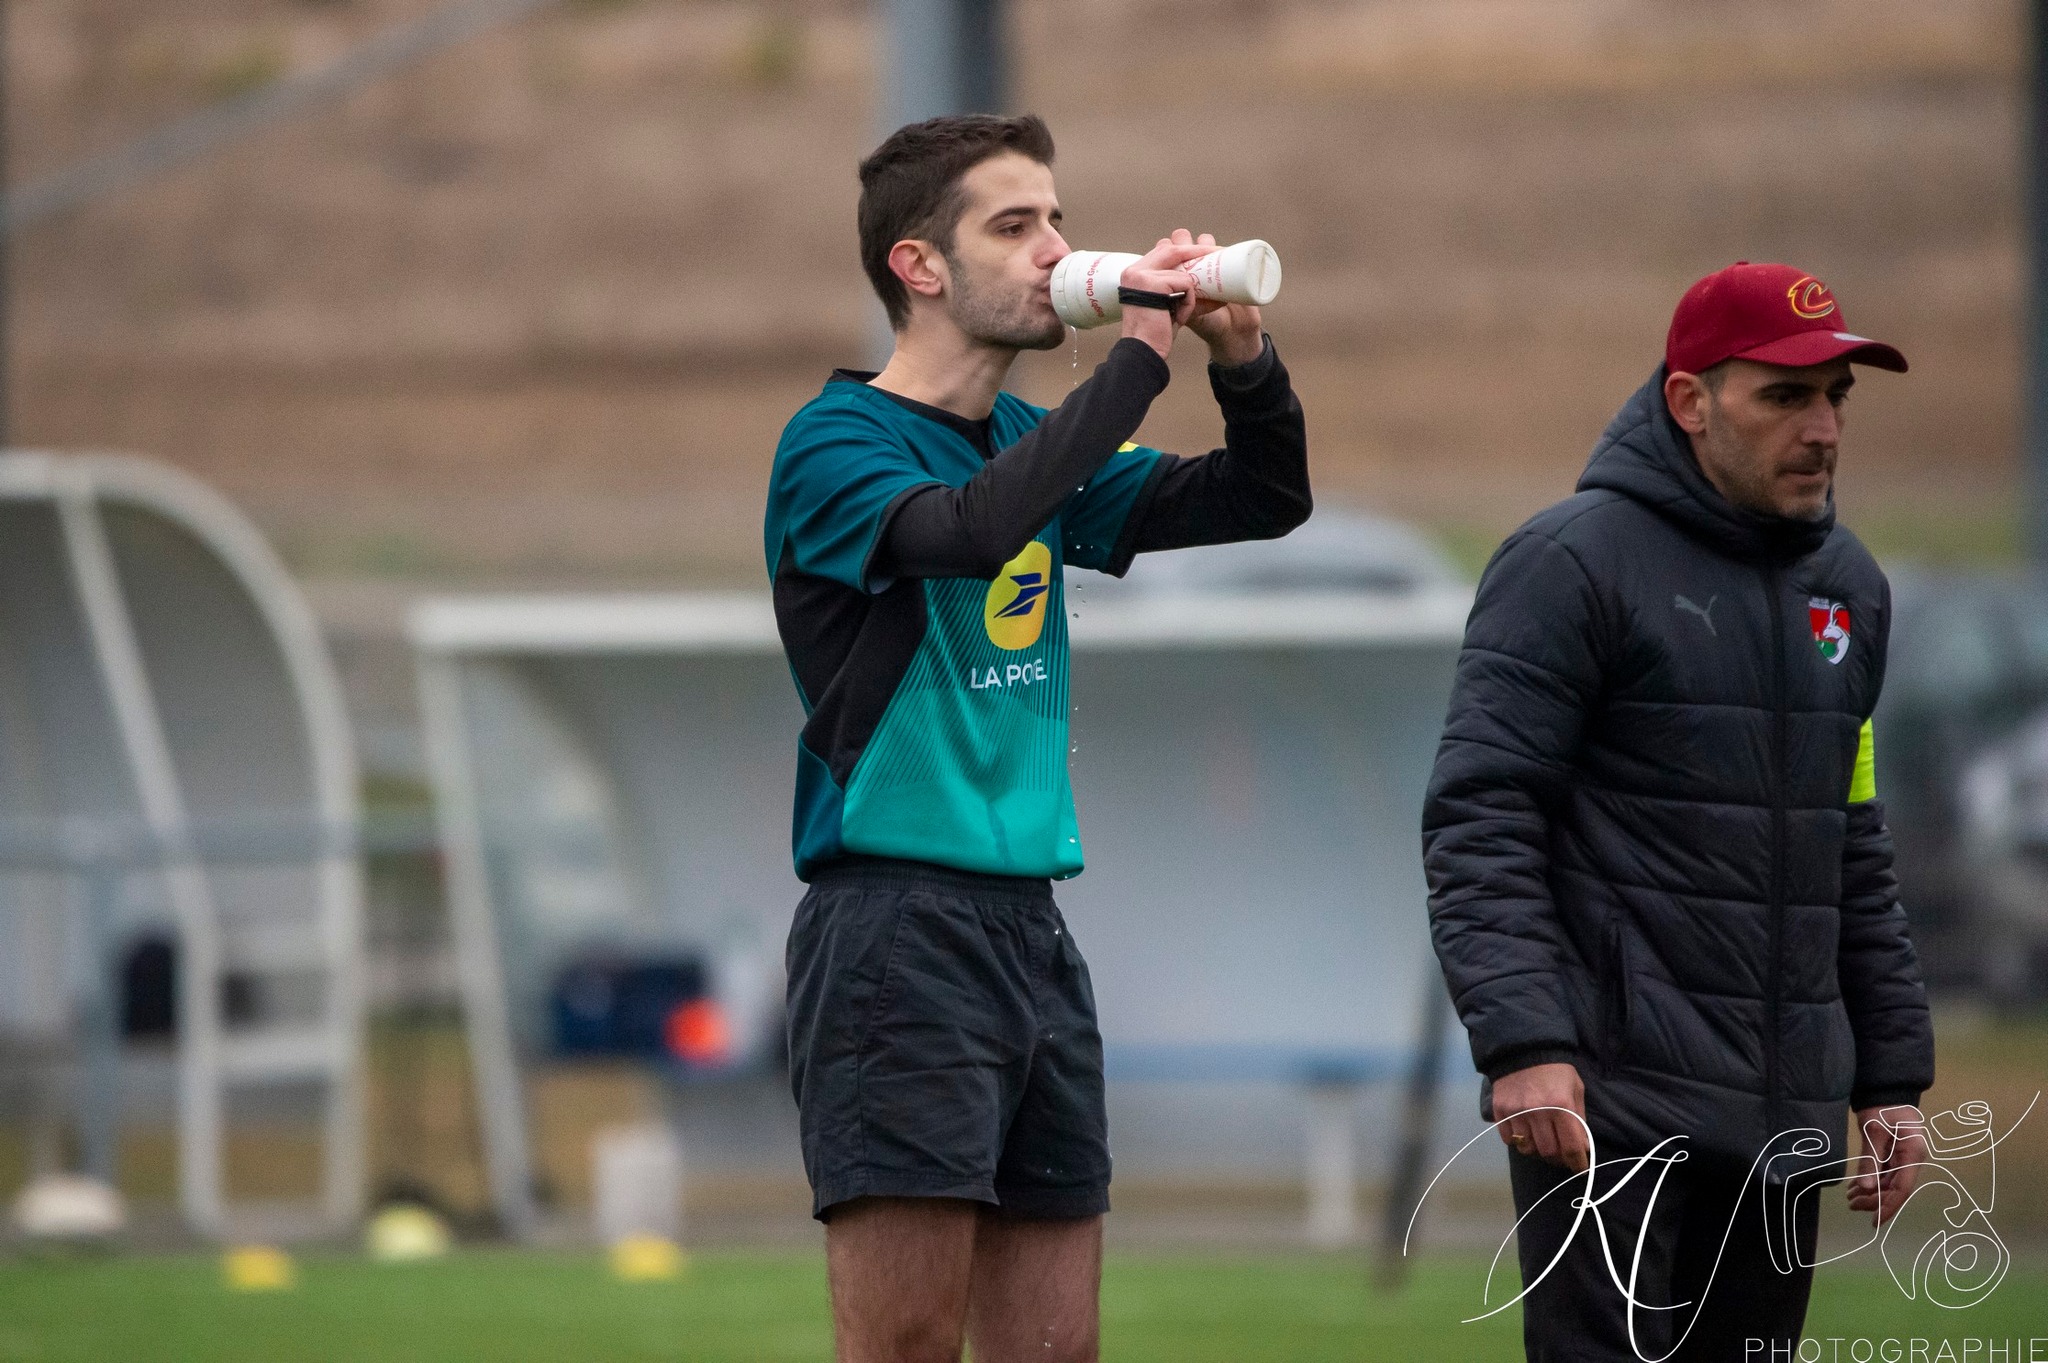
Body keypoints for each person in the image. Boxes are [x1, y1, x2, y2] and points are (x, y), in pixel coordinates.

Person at [762, 113, 1310, 1363]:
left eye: (1056, 219)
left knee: (1055, 1351)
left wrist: (1243, 361)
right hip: (895, 929)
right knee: (903, 1344)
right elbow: (962, 529)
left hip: (1030, 933)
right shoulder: (834, 442)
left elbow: (1262, 499)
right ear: (918, 267)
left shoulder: (1027, 441)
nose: (1056, 248)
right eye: (1014, 226)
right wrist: (1136, 357)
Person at [1422, 262, 1936, 1361]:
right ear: (1688, 401)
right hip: (1607, 1106)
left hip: (1780, 1120)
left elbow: (1847, 842)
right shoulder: (1565, 563)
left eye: (1834, 396)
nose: (1821, 427)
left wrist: (1889, 1076)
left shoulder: (1847, 589)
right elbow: (1481, 816)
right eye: (1783, 395)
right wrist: (1522, 1041)